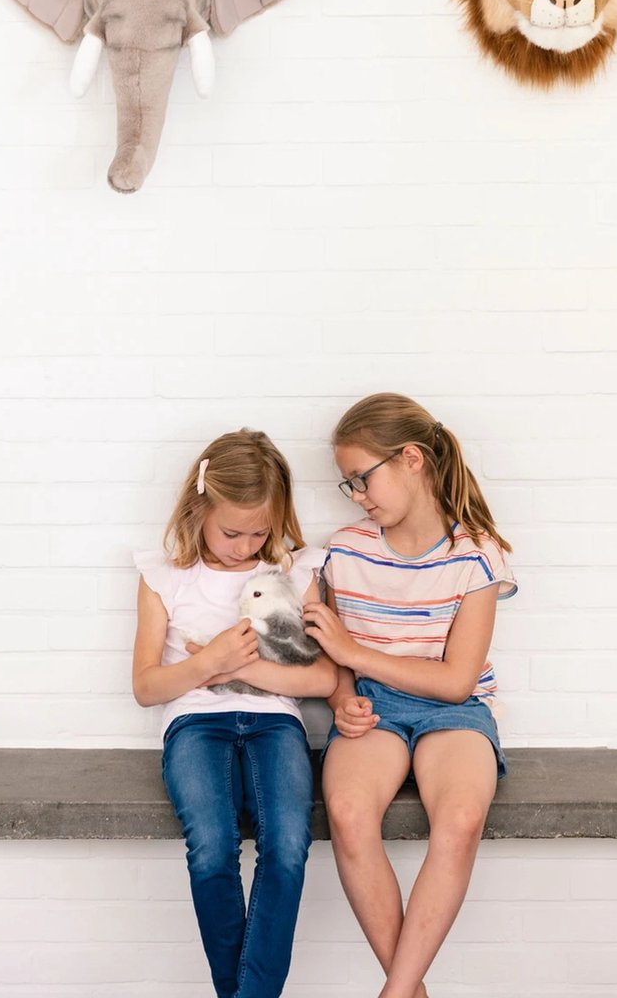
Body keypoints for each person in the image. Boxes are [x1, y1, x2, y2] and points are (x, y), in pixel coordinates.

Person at [304, 394, 517, 998]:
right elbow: (332, 655)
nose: (357, 495)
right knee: (348, 813)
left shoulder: (476, 556)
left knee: (461, 818)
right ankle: (410, 992)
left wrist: (353, 653)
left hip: (454, 712)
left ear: (411, 459)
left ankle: (395, 993)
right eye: (348, 484)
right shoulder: (343, 550)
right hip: (374, 707)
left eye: (362, 478)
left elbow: (455, 681)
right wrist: (342, 695)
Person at [132, 429, 337, 998]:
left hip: (276, 724)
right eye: (231, 532)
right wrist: (209, 662)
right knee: (212, 849)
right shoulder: (164, 577)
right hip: (196, 725)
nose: (245, 547)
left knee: (288, 846)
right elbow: (146, 687)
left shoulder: (295, 572)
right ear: (199, 507)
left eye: (259, 532)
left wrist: (237, 670)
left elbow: (324, 677)